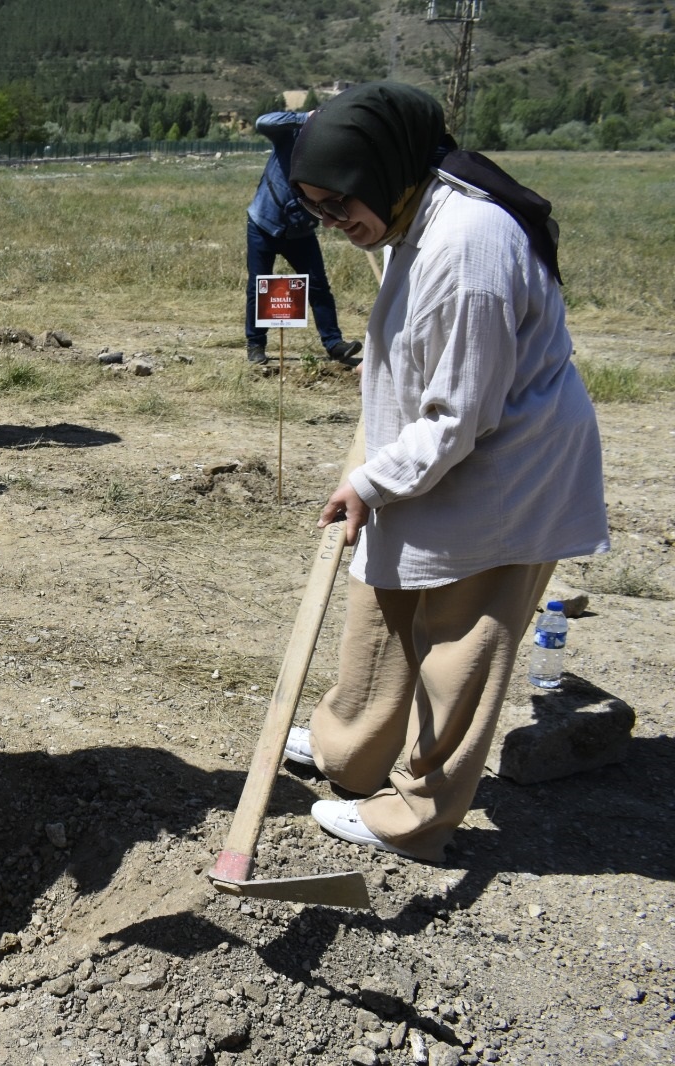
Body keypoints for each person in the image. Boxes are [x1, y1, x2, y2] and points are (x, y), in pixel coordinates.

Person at [281, 82, 609, 862]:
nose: (333, 225)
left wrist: (371, 480)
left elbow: (461, 414)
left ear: (385, 172)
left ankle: (417, 812)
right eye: (318, 211)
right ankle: (351, 754)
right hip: (425, 456)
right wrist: (381, 471)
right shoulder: (412, 213)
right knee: (383, 606)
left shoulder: (471, 246)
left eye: (340, 205)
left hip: (505, 473)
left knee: (459, 644)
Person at [243, 109, 363, 368]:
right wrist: (304, 117)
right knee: (259, 286)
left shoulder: (335, 155)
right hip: (264, 222)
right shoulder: (292, 136)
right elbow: (262, 121)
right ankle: (256, 344)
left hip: (301, 231)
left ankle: (334, 344)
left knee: (318, 285)